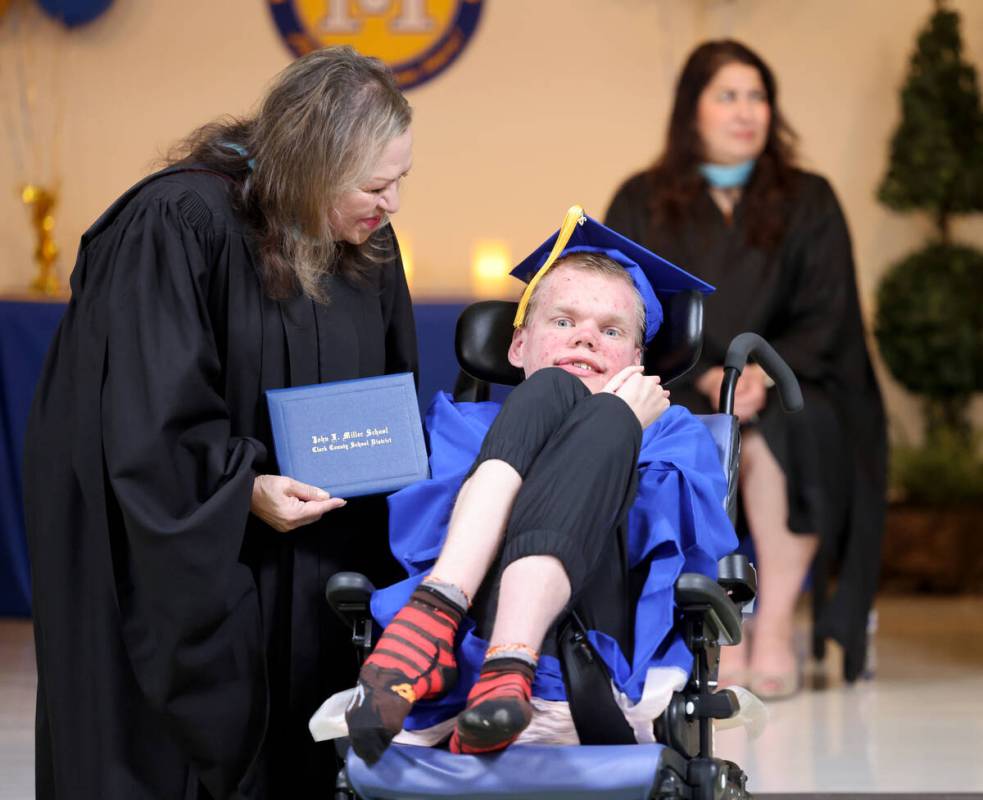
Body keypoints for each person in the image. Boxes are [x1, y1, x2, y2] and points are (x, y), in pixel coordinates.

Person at [24, 47, 416, 799]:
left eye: (401, 179)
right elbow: (140, 413)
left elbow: (387, 394)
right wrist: (244, 486)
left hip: (318, 554)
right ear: (309, 166)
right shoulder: (177, 222)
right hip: (208, 552)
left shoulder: (366, 243)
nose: (391, 202)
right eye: (374, 184)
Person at [341, 209, 738, 764]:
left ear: (639, 361)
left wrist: (619, 423)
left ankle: (450, 636)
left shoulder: (675, 434)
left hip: (597, 661)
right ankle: (473, 651)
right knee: (551, 390)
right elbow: (423, 535)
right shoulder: (461, 423)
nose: (587, 340)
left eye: (613, 331)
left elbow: (664, 549)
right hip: (470, 651)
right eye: (562, 322)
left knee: (598, 418)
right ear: (516, 346)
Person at [604, 39, 887, 695]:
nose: (745, 111)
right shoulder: (644, 198)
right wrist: (704, 373)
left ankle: (771, 627)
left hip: (792, 384)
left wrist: (761, 372)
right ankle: (712, 624)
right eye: (726, 96)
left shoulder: (807, 199)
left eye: (756, 96)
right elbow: (626, 306)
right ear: (691, 110)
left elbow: (829, 313)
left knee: (787, 435)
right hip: (676, 380)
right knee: (697, 434)